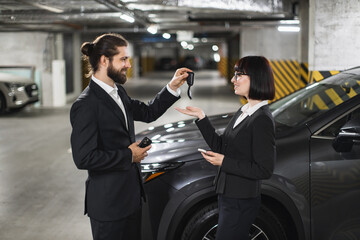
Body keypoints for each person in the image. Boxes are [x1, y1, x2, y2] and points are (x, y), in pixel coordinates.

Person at [70, 33, 191, 240]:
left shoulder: (119, 93)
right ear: (104, 60)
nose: (128, 64)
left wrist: (172, 86)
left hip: (130, 199)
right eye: (123, 59)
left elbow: (148, 112)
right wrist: (128, 155)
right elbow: (84, 158)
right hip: (108, 206)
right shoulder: (86, 105)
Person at [176, 56, 276, 240]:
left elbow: (264, 169)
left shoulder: (261, 119)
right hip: (229, 195)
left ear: (256, 78)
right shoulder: (245, 111)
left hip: (241, 200)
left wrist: (224, 161)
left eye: (239, 75)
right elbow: (222, 146)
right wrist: (201, 117)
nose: (233, 80)